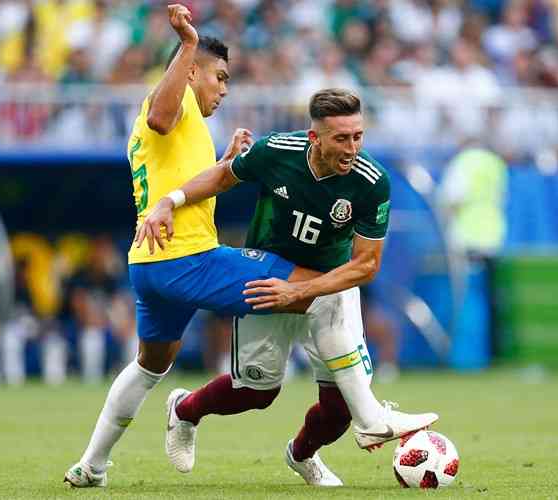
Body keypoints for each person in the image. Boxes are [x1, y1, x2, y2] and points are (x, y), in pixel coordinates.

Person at [64, 6, 435, 488]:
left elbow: (196, 177)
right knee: (319, 288)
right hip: (189, 258)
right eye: (219, 78)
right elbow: (160, 115)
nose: (223, 89)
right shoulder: (170, 107)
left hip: (149, 265)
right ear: (191, 70)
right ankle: (371, 417)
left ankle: (92, 466)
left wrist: (219, 164)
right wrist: (188, 43)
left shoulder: (193, 126)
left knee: (149, 367)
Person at [156, 88, 435, 486]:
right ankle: (185, 409)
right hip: (268, 279)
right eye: (341, 138)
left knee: (338, 407)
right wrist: (172, 199)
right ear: (314, 137)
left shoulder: (371, 181)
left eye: (358, 136)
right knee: (256, 393)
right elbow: (223, 174)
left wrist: (302, 293)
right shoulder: (277, 152)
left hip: (327, 284)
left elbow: (367, 264)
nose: (352, 147)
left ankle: (304, 454)